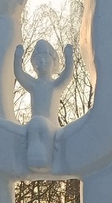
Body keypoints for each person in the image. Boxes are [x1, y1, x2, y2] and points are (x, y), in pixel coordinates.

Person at [13, 40, 75, 169]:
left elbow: (67, 75)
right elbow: (19, 74)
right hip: (36, 127)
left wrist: (69, 57)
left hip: (51, 127)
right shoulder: (33, 85)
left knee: (40, 125)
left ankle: (42, 159)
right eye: (37, 59)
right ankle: (35, 159)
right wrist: (18, 57)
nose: (41, 62)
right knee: (36, 125)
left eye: (45, 58)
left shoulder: (54, 85)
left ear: (53, 62)